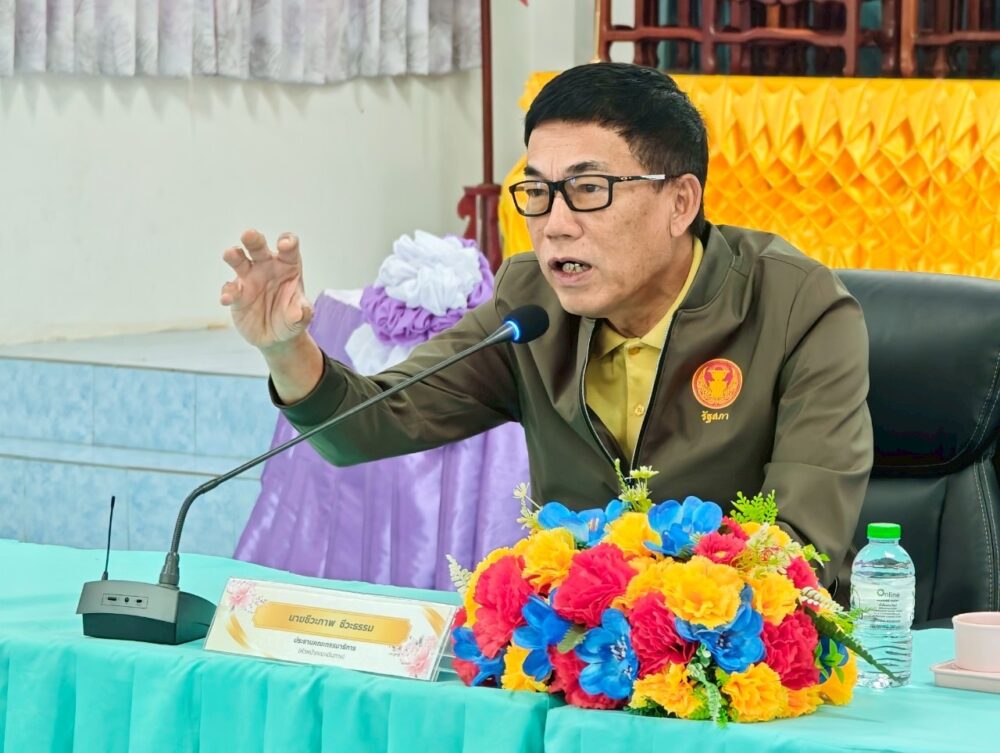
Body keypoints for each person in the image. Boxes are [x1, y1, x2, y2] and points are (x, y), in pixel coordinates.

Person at [220, 62, 873, 592]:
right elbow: (373, 422)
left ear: (680, 203)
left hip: (746, 668)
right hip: (579, 658)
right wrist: (286, 349)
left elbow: (797, 552)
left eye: (588, 190)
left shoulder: (796, 308)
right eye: (537, 192)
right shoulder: (532, 304)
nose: (555, 224)